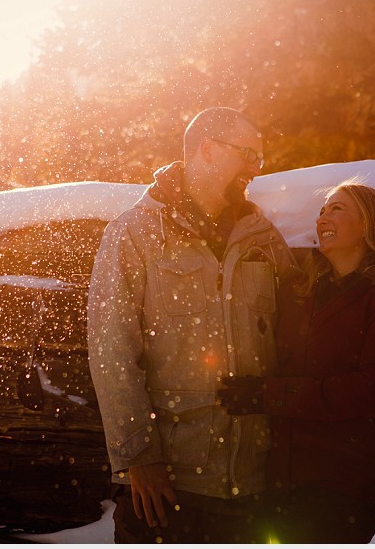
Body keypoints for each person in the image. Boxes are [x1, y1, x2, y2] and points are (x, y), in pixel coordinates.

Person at [87, 107, 299, 543]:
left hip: (250, 484)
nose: (257, 170)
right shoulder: (135, 233)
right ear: (207, 150)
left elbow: (298, 337)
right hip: (165, 486)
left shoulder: (263, 237)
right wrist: (138, 457)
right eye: (248, 155)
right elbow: (111, 350)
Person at [218, 179, 375, 543]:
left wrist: (270, 395)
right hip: (281, 479)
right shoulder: (304, 290)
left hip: (345, 484)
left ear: (369, 225)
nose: (323, 216)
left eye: (337, 208)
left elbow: (372, 390)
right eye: (322, 210)